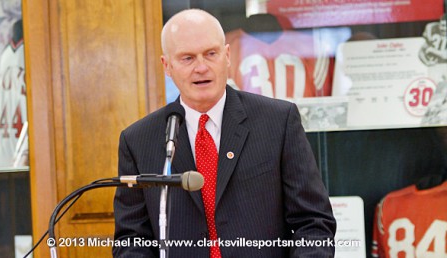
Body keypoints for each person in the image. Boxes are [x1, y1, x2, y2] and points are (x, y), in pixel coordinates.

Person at [113, 9, 336, 257]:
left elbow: (314, 223)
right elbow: (132, 240)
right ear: (167, 65)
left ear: (227, 56)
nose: (201, 67)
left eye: (211, 54)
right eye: (187, 58)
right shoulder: (138, 140)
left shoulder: (278, 122)